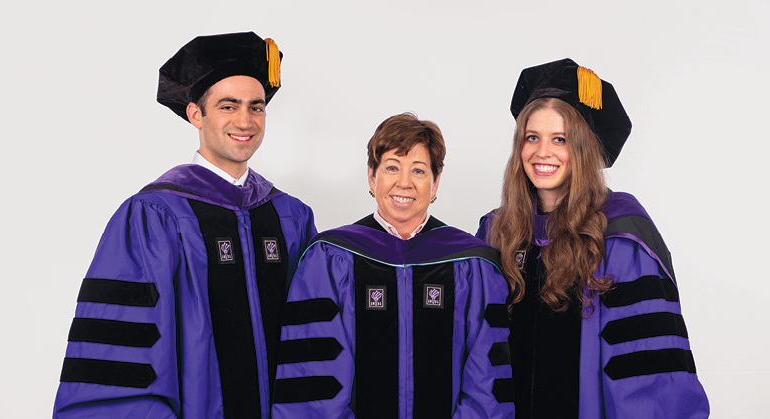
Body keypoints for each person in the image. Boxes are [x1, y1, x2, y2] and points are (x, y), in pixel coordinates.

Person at [52, 32, 317, 419]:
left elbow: (315, 340)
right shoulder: (152, 217)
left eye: (255, 107)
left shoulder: (291, 217)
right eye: (228, 106)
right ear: (196, 114)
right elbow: (124, 355)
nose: (245, 121)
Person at [476, 58, 709, 418]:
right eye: (532, 137)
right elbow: (477, 354)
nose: (542, 152)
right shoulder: (497, 233)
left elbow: (647, 377)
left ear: (583, 149)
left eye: (560, 139)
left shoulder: (619, 238)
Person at [270, 113, 514, 419]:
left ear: (435, 182)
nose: (404, 182)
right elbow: (313, 381)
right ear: (372, 177)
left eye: (419, 170)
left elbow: (487, 384)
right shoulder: (330, 258)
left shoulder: (472, 265)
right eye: (392, 168)